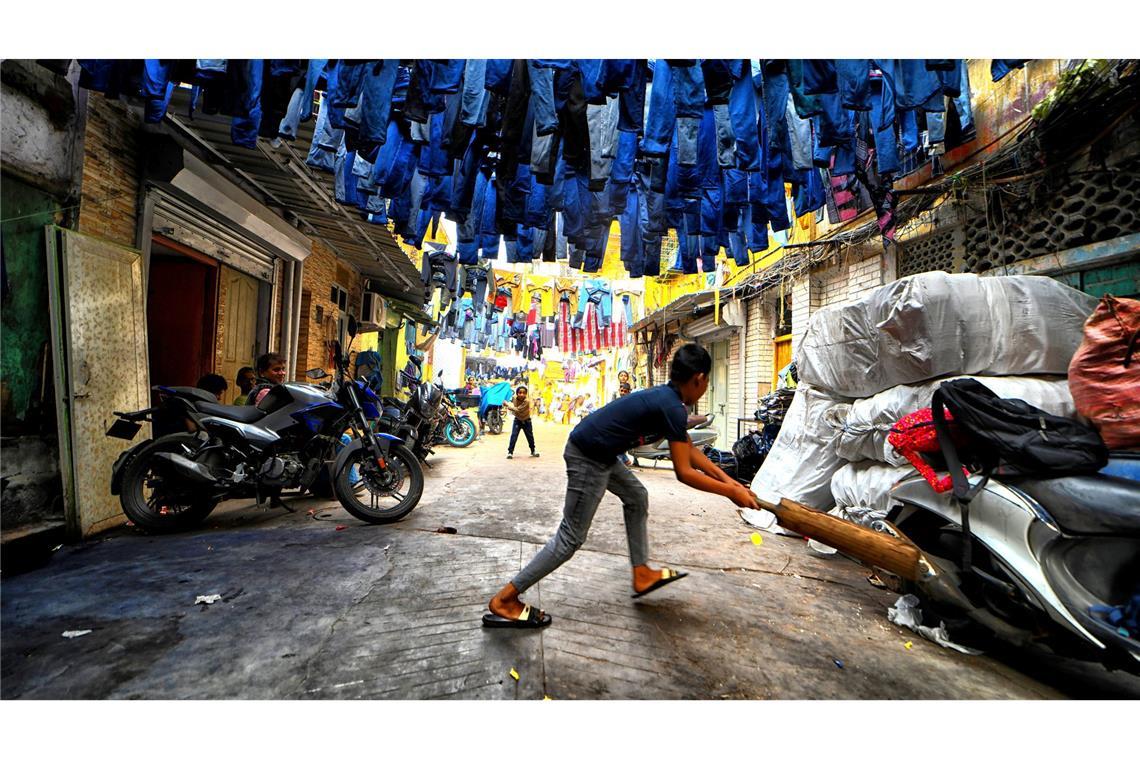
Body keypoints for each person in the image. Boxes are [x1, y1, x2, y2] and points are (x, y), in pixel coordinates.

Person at [483, 344, 759, 629]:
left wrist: (733, 483)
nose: (705, 387)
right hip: (588, 455)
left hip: (600, 452)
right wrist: (731, 493)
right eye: (707, 382)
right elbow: (684, 473)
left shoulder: (668, 400)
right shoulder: (672, 406)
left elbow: (690, 451)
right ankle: (505, 599)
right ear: (699, 379)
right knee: (570, 538)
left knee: (637, 496)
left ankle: (641, 573)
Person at [503, 385, 539, 459]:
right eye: (520, 392)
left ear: (526, 394)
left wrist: (507, 405)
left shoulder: (527, 401)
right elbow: (506, 399)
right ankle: (510, 452)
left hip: (527, 420)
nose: (522, 394)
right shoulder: (514, 398)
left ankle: (533, 450)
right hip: (517, 420)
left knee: (530, 437)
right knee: (514, 436)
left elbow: (518, 409)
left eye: (524, 393)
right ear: (517, 393)